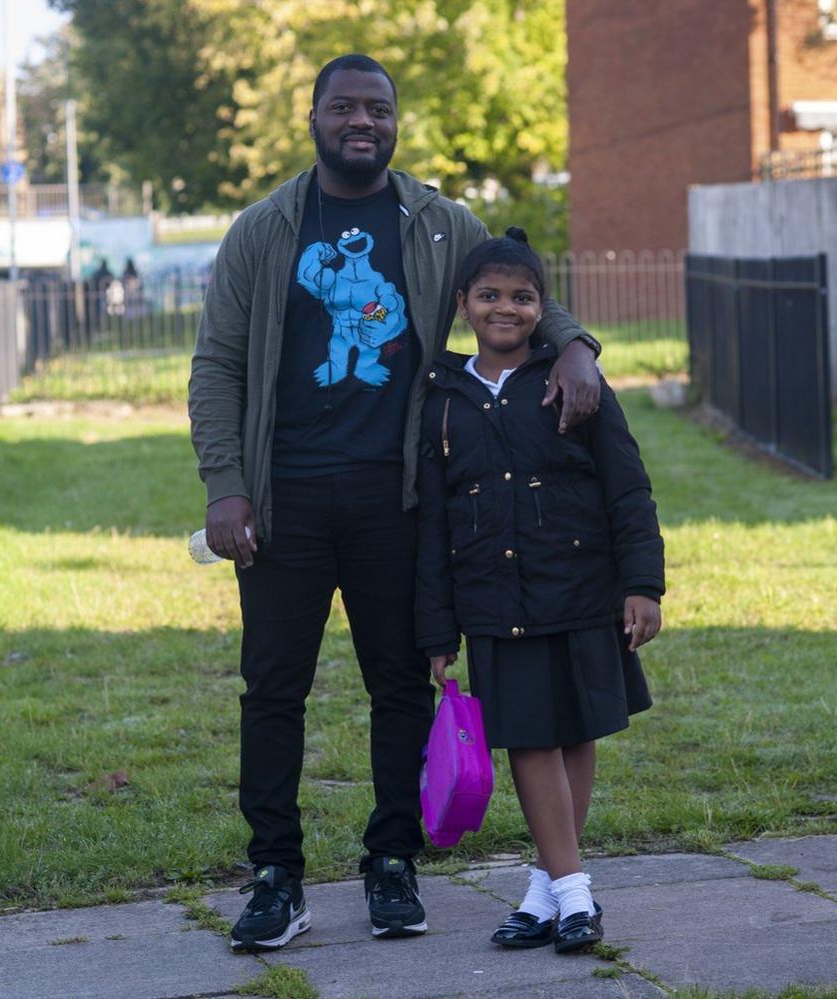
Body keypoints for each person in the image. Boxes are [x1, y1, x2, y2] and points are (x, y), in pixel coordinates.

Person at [188, 54, 603, 953]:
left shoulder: (437, 220)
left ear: (395, 120)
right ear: (313, 117)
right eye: (344, 107)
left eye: (378, 107)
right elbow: (216, 363)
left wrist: (577, 348)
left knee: (399, 685)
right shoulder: (263, 230)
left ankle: (391, 864)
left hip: (400, 499)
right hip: (284, 500)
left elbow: (519, 284)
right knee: (272, 690)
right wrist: (226, 484)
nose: (361, 122)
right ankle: (275, 876)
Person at [415, 228, 664, 954]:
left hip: (581, 588)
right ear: (462, 303)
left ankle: (543, 890)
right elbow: (431, 522)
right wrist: (437, 630)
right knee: (527, 738)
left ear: (542, 306)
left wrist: (641, 583)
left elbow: (627, 485)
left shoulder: (574, 380)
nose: (505, 308)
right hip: (494, 603)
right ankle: (575, 892)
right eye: (489, 295)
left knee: (574, 729)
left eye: (522, 296)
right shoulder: (440, 398)